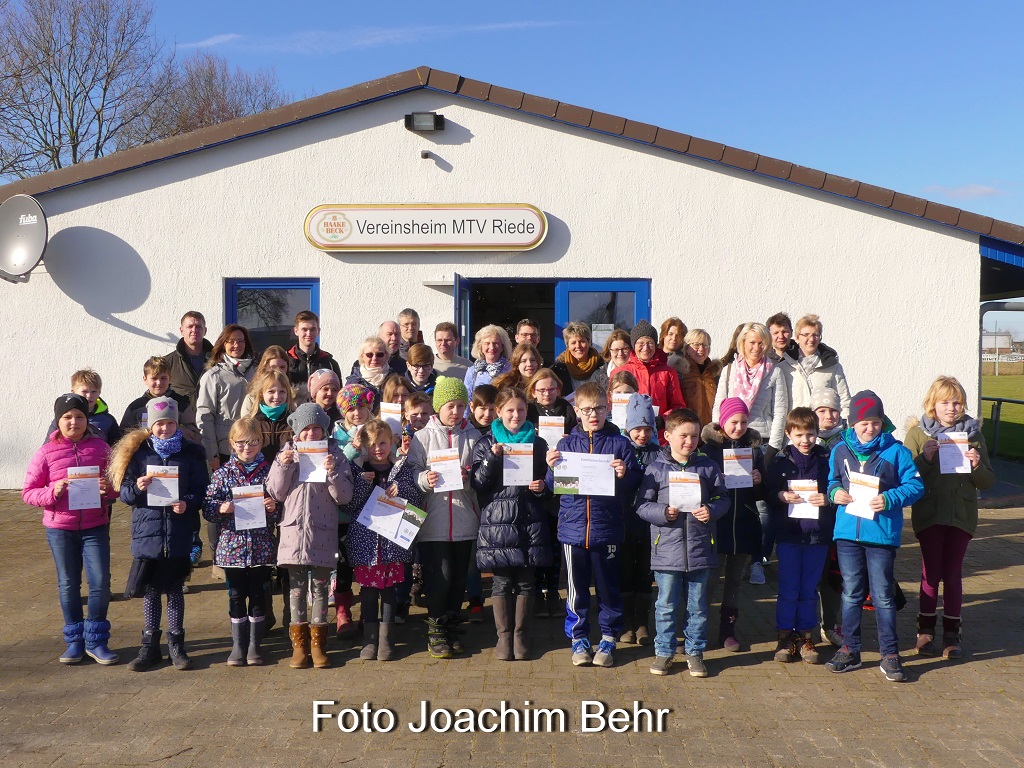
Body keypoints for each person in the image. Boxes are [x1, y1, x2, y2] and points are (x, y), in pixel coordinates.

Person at [825, 391, 924, 682]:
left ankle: (890, 654)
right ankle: (849, 649)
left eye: (876, 422)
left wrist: (890, 498)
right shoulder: (839, 450)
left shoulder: (897, 452)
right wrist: (834, 493)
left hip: (881, 535)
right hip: (847, 534)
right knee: (851, 593)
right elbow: (832, 481)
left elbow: (916, 487)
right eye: (864, 423)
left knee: (882, 596)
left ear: (883, 422)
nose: (870, 428)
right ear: (853, 423)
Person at [545, 381, 642, 668]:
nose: (593, 415)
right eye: (586, 410)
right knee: (576, 589)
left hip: (607, 528)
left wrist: (624, 474)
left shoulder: (620, 443)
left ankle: (609, 637)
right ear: (576, 411)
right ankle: (579, 639)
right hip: (573, 530)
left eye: (599, 408)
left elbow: (634, 484)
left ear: (607, 407)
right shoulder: (566, 445)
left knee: (608, 587)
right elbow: (553, 487)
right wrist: (551, 468)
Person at [109, 397, 209, 672]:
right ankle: (149, 647)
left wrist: (187, 502)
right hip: (148, 534)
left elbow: (201, 490)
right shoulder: (138, 453)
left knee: (175, 591)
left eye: (169, 423)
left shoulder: (191, 453)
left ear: (177, 424)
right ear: (150, 426)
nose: (164, 428)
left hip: (178, 532)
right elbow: (124, 494)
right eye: (159, 424)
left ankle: (176, 645)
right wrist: (138, 487)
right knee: (151, 592)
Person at [903, 376, 994, 660]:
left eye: (957, 403)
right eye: (945, 402)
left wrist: (976, 465)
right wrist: (925, 459)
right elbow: (905, 477)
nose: (951, 408)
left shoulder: (974, 435)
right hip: (929, 513)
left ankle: (952, 634)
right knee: (930, 573)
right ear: (933, 404)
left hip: (961, 514)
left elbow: (987, 481)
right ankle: (925, 630)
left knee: (953, 574)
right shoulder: (918, 434)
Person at [24, 394, 119, 665]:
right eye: (67, 417)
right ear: (58, 421)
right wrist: (52, 492)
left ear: (87, 419)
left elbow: (118, 485)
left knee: (99, 583)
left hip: (95, 526)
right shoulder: (45, 452)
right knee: (68, 584)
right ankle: (75, 641)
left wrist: (108, 489)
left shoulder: (101, 448)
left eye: (79, 416)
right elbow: (28, 492)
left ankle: (96, 641)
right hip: (60, 529)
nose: (74, 422)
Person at [637, 408, 728, 678]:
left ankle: (695, 652)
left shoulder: (708, 467)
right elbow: (641, 505)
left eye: (695, 436)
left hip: (700, 549)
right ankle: (664, 652)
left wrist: (711, 510)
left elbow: (723, 498)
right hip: (666, 550)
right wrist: (662, 513)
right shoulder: (656, 469)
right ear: (667, 436)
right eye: (683, 436)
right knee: (665, 606)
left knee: (697, 607)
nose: (689, 441)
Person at [267, 403, 354, 670]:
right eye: (306, 429)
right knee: (295, 588)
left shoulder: (336, 456)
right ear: (297, 431)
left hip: (322, 531)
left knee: (320, 587)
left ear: (324, 430)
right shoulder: (285, 454)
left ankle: (318, 645)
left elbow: (344, 497)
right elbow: (276, 493)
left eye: (317, 428)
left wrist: (332, 472)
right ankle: (299, 646)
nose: (312, 433)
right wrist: (284, 465)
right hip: (293, 532)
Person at [471, 387, 552, 660]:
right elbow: (478, 484)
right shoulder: (486, 442)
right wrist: (492, 457)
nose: (515, 415)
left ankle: (521, 636)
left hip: (529, 520)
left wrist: (542, 487)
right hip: (498, 522)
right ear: (499, 412)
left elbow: (549, 484)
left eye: (520, 410)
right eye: (510, 410)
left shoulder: (538, 443)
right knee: (502, 582)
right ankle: (503, 637)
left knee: (527, 582)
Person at [407, 377, 482, 658]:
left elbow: (483, 474)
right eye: (450, 405)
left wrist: (469, 476)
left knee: (459, 578)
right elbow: (411, 471)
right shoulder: (423, 437)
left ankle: (451, 625)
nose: (456, 411)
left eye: (461, 406)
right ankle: (435, 629)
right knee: (440, 577)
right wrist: (424, 478)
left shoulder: (474, 436)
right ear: (439, 406)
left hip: (465, 518)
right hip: (433, 520)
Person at [712, 321, 788, 581]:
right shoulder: (729, 370)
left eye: (760, 342)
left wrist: (772, 448)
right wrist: (718, 438)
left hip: (761, 443)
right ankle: (728, 556)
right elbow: (719, 405)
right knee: (732, 499)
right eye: (751, 342)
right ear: (742, 344)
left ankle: (758, 559)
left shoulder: (774, 372)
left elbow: (780, 412)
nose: (756, 347)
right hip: (732, 441)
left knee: (762, 506)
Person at [342, 419, 423, 661]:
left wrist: (402, 491)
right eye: (373, 444)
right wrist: (362, 484)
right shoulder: (357, 469)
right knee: (368, 593)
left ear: (392, 443)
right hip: (366, 546)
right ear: (364, 446)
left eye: (383, 443)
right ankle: (369, 640)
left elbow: (417, 501)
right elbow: (349, 506)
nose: (378, 449)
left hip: (392, 544)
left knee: (389, 592)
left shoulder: (400, 469)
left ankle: (387, 641)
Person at [202, 417, 279, 666]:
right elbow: (208, 506)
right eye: (242, 442)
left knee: (258, 595)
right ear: (232, 443)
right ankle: (238, 644)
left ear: (261, 442)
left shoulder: (270, 473)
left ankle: (255, 645)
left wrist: (273, 507)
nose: (248, 447)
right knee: (236, 595)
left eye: (254, 442)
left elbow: (282, 508)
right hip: (231, 548)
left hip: (261, 547)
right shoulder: (222, 474)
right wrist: (220, 508)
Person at [765, 407, 836, 664]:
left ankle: (806, 636)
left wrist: (827, 499)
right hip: (789, 535)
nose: (805, 440)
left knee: (809, 588)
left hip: (817, 536)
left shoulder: (827, 461)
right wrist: (780, 495)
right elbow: (768, 492)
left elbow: (838, 489)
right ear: (788, 434)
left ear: (817, 433)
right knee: (788, 587)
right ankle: (785, 636)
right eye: (799, 435)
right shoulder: (780, 462)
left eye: (810, 434)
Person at [701, 397, 766, 651]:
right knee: (709, 580)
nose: (738, 427)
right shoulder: (708, 451)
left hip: (744, 524)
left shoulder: (754, 450)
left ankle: (727, 631)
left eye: (743, 422)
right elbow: (700, 488)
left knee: (735, 581)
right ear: (722, 422)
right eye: (733, 422)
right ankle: (697, 630)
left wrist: (759, 480)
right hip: (717, 525)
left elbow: (763, 494)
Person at [524, 368, 577, 618]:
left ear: (559, 389)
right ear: (533, 391)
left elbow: (579, 440)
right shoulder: (528, 411)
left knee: (556, 541)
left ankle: (553, 591)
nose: (547, 393)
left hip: (561, 479)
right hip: (534, 476)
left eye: (552, 388)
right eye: (542, 389)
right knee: (536, 539)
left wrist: (570, 439)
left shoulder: (568, 411)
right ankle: (536, 591)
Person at [619, 393, 661, 646]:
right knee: (625, 572)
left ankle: (642, 622)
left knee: (645, 573)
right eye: (637, 429)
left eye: (647, 429)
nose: (642, 434)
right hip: (624, 522)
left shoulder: (660, 453)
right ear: (628, 428)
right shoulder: (621, 450)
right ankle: (626, 623)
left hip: (650, 526)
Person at [809, 387, 846, 647]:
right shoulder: (803, 440)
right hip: (808, 521)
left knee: (833, 577)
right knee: (811, 577)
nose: (828, 416)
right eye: (822, 410)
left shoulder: (847, 442)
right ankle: (807, 628)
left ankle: (830, 625)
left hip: (837, 519)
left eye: (833, 410)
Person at [196, 324, 257, 472]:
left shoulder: (257, 372)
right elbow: (205, 416)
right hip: (225, 450)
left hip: (253, 448)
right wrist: (212, 453)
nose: (236, 345)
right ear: (223, 344)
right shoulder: (213, 376)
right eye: (231, 341)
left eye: (240, 341)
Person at [611, 320, 686, 425]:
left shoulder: (668, 373)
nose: (645, 348)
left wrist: (663, 419)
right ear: (634, 345)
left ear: (655, 345)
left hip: (659, 432)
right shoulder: (619, 372)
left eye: (650, 343)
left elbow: (678, 406)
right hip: (627, 431)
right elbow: (610, 404)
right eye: (641, 343)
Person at [779, 314, 852, 420]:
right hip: (795, 427)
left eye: (815, 335)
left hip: (824, 428)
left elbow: (844, 401)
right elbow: (778, 405)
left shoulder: (832, 367)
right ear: (797, 338)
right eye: (806, 335)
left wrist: (844, 425)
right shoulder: (783, 368)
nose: (811, 339)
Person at [163, 311, 212, 443]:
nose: (194, 330)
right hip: (181, 434)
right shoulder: (168, 363)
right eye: (190, 326)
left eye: (199, 327)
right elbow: (158, 396)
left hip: (212, 431)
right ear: (181, 330)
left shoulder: (218, 362)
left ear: (205, 330)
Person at [44, 369, 121, 446]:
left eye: (94, 392)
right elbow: (48, 446)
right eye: (84, 392)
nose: (89, 396)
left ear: (99, 393)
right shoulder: (63, 419)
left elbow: (117, 448)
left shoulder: (108, 420)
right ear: (73, 392)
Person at [120, 356, 190, 433]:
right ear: (145, 379)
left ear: (169, 378)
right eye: (154, 378)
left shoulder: (181, 404)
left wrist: (173, 431)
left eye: (163, 378)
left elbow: (193, 432)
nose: (159, 383)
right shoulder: (136, 407)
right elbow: (124, 435)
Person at [286, 311, 342, 401]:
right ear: (296, 331)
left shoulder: (330, 363)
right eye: (304, 329)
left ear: (318, 331)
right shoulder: (286, 361)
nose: (309, 334)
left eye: (313, 329)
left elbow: (339, 396)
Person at [247, 369, 295, 465]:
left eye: (282, 391)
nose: (277, 396)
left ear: (288, 393)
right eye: (271, 391)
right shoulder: (252, 423)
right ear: (261, 393)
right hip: (260, 472)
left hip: (287, 472)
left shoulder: (294, 421)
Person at [551, 321, 606, 398]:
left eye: (582, 341)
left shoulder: (602, 366)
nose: (578, 346)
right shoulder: (559, 369)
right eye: (573, 343)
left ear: (588, 342)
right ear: (568, 346)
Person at [679, 329, 721, 427]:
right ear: (687, 347)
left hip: (710, 429)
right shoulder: (680, 372)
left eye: (705, 345)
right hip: (688, 429)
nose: (701, 349)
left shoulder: (715, 373)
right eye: (696, 345)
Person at [331, 383, 375, 465]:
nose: (357, 413)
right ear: (344, 413)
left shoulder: (378, 429)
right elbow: (337, 464)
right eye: (351, 409)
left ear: (368, 408)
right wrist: (353, 449)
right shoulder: (337, 435)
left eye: (361, 407)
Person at [241, 346, 293, 414]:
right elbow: (245, 420)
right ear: (264, 368)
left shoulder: (295, 397)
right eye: (273, 367)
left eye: (282, 367)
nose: (278, 371)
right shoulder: (252, 399)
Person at [346, 336, 396, 405]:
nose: (374, 358)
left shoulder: (395, 379)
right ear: (362, 356)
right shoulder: (354, 382)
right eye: (369, 355)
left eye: (379, 354)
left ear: (386, 355)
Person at [464, 324, 513, 393]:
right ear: (480, 347)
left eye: (495, 343)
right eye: (487, 343)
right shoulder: (473, 371)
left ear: (502, 347)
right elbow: (467, 397)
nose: (492, 347)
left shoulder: (510, 370)